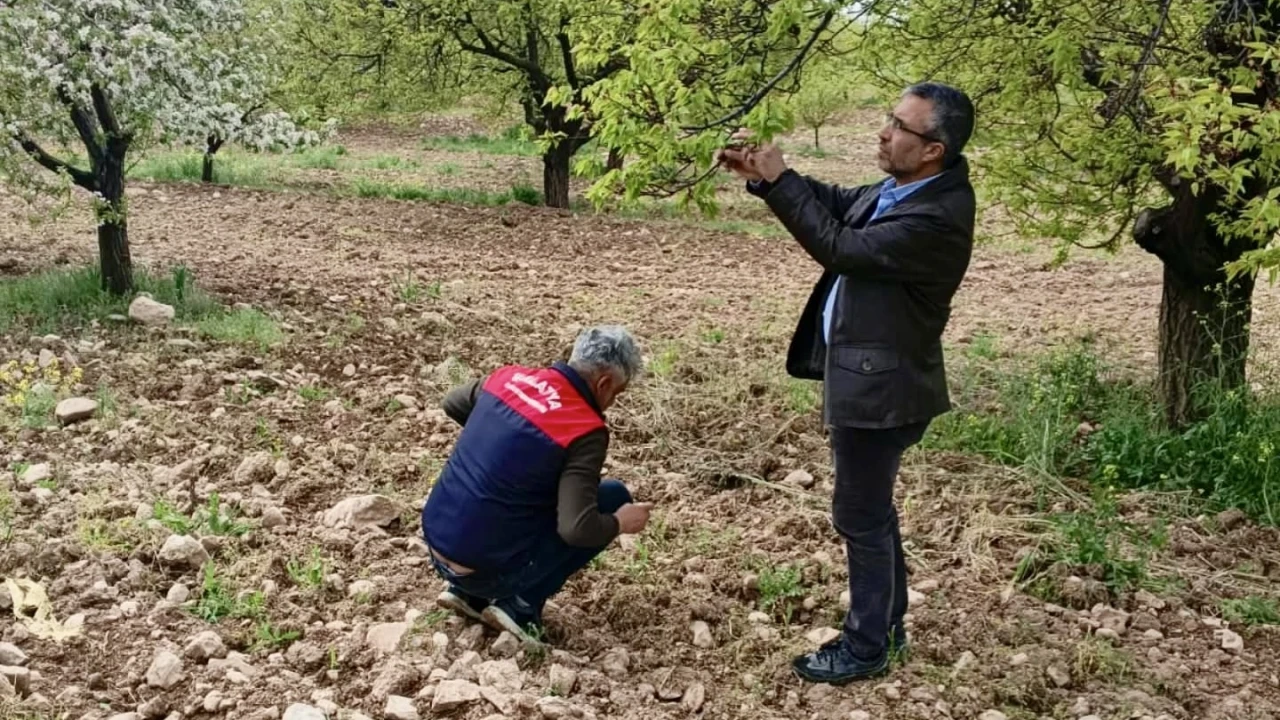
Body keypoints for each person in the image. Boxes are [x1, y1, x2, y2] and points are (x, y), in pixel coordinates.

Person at [718, 82, 977, 684]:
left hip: (882, 393)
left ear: (932, 148)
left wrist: (783, 183)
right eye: (889, 119)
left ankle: (865, 648)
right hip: (874, 382)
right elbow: (837, 204)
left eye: (899, 127)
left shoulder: (936, 214)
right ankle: (887, 626)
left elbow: (843, 247)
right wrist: (763, 175)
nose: (884, 133)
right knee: (873, 514)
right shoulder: (906, 187)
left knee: (859, 517)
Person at [420, 325, 654, 643]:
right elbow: (577, 528)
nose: (612, 401)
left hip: (436, 543)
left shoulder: (507, 378)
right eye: (617, 393)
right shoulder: (584, 429)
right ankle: (520, 605)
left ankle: (464, 593)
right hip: (486, 571)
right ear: (604, 383)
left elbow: (453, 403)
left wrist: (507, 447)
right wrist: (619, 523)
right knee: (612, 497)